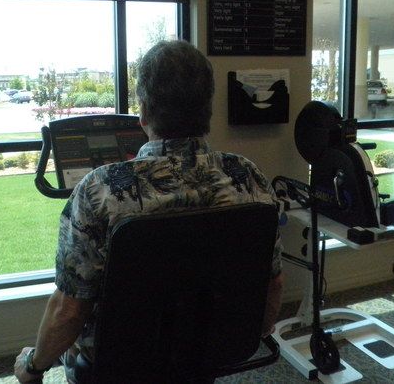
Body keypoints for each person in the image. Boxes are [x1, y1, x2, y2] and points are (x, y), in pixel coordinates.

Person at [14, 40, 284, 383]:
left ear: (143, 111)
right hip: (207, 353)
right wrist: (240, 335)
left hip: (119, 364)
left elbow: (70, 310)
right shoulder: (247, 176)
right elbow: (272, 283)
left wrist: (32, 366)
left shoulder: (99, 189)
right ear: (207, 109)